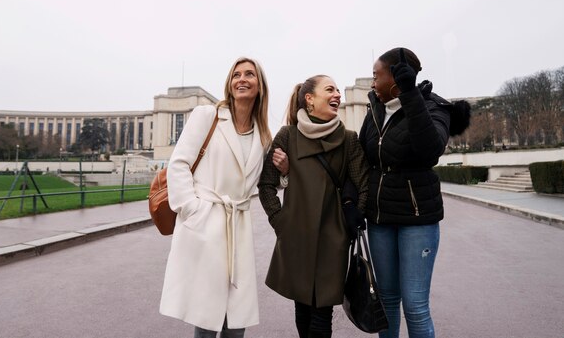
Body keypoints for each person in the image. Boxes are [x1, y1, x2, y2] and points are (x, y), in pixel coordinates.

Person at [359, 47, 470, 338]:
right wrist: (354, 204)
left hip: (417, 219)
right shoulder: (374, 109)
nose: (372, 84)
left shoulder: (434, 106)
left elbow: (429, 150)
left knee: (415, 306)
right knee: (386, 301)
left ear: (395, 78)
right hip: (380, 220)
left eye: (376, 76)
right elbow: (361, 158)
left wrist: (410, 95)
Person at [159, 57, 272, 338]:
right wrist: (192, 210)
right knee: (208, 317)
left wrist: (282, 170)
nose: (242, 79)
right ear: (229, 84)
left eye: (249, 74)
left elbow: (263, 181)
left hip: (238, 228)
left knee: (236, 321)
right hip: (206, 222)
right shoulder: (207, 116)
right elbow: (179, 163)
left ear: (260, 86)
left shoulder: (263, 135)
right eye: (236, 75)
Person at [258, 75, 369, 338]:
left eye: (338, 90)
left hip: (333, 239)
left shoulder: (349, 139)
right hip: (297, 236)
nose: (338, 95)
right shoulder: (287, 135)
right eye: (330, 89)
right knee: (303, 308)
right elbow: (266, 185)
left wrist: (350, 223)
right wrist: (280, 222)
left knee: (322, 314)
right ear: (309, 99)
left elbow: (364, 182)